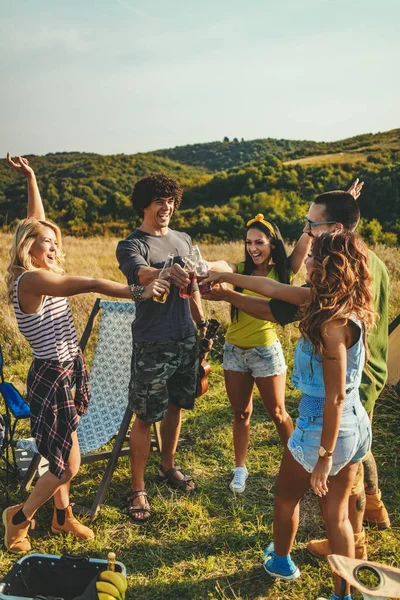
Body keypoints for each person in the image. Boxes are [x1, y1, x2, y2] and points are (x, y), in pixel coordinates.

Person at [203, 187, 390, 557]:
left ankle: (355, 547)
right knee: (352, 463)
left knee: (334, 482)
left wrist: (322, 455)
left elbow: (277, 308)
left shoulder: (329, 299)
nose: (305, 233)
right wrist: (228, 292)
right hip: (367, 379)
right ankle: (371, 512)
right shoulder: (364, 263)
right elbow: (275, 292)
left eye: (311, 225)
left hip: (344, 390)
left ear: (333, 229)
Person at [3, 154, 169, 554]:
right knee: (67, 464)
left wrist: (32, 179)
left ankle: (62, 517)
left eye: (57, 243)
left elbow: (36, 222)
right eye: (49, 243)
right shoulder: (31, 279)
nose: (56, 248)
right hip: (52, 375)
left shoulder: (38, 265)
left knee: (64, 451)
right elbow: (91, 282)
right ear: (29, 246)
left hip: (65, 371)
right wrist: (139, 291)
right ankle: (19, 519)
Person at [116, 172, 207, 524]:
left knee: (175, 406)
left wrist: (202, 326)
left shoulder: (184, 239)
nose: (166, 207)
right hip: (153, 341)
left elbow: (194, 287)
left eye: (170, 201)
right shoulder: (131, 244)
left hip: (186, 337)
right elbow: (140, 275)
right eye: (159, 201)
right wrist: (168, 272)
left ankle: (167, 466)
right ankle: (138, 487)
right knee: (145, 416)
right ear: (144, 205)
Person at [206, 215, 310, 493]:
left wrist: (321, 221)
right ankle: (240, 469)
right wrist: (206, 266)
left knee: (278, 413)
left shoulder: (284, 272)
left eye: (259, 242)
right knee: (241, 413)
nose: (253, 248)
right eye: (249, 242)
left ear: (272, 244)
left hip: (265, 352)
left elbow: (303, 244)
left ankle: (299, 466)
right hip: (234, 352)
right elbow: (221, 265)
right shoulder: (238, 270)